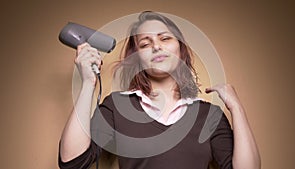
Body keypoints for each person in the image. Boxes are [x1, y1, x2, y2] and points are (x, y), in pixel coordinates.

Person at [58, 11, 261, 169]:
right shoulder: (117, 107)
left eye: (165, 39)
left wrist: (236, 108)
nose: (156, 46)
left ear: (181, 49)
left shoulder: (209, 115)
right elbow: (72, 162)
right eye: (145, 43)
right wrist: (87, 84)